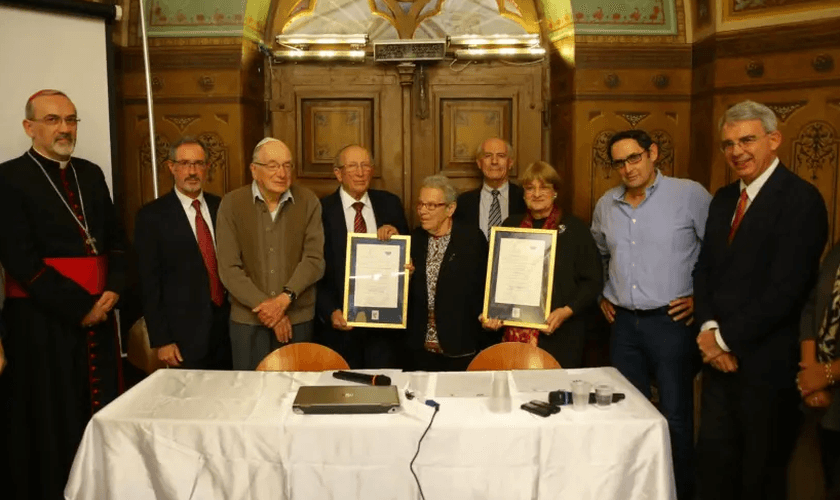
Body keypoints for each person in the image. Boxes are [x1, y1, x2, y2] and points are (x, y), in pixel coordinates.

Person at [694, 100, 828, 500]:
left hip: (768, 368)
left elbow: (787, 290)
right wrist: (707, 331)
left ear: (774, 140)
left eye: (747, 140)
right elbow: (704, 271)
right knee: (715, 472)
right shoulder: (722, 199)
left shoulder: (801, 200)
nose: (737, 151)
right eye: (728, 143)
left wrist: (723, 339)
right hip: (718, 367)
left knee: (760, 478)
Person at [0, 89, 126, 498]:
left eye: (70, 120)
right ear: (29, 127)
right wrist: (79, 308)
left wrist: (112, 291)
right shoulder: (9, 178)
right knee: (51, 422)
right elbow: (20, 260)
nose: (64, 128)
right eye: (53, 120)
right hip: (42, 325)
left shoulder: (90, 174)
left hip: (101, 316)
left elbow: (115, 242)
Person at [589, 129, 711, 500]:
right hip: (623, 325)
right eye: (619, 162)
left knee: (674, 416)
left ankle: (678, 492)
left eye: (635, 158)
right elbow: (598, 255)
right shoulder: (606, 204)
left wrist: (700, 297)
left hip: (672, 323)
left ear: (653, 153)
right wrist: (601, 294)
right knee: (629, 415)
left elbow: (718, 253)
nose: (627, 168)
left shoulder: (688, 194)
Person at [216, 138, 325, 370]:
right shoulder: (231, 204)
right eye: (273, 165)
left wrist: (284, 300)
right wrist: (270, 309)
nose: (282, 173)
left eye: (287, 165)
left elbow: (314, 260)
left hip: (298, 320)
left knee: (296, 394)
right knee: (250, 396)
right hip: (248, 322)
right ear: (254, 170)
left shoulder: (309, 202)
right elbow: (229, 268)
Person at [481, 161, 601, 369]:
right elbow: (495, 275)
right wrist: (491, 311)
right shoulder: (510, 225)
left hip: (560, 334)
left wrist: (566, 311)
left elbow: (593, 281)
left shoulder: (574, 229)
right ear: (524, 193)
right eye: (530, 188)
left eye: (544, 187)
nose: (536, 194)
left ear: (555, 191)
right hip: (513, 331)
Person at [135, 137, 232, 369]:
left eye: (199, 164)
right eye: (185, 164)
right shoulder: (152, 217)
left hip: (227, 330)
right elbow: (148, 283)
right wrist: (162, 340)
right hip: (182, 336)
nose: (192, 171)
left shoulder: (223, 207)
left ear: (207, 168)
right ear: (172, 167)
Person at [317, 144, 409, 368]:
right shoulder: (320, 210)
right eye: (352, 166)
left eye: (365, 165)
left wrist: (398, 243)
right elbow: (314, 268)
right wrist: (330, 311)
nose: (360, 172)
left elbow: (407, 259)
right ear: (338, 173)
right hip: (341, 326)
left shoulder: (390, 204)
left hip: (385, 330)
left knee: (384, 392)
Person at [408, 175, 488, 371]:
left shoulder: (471, 239)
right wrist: (405, 279)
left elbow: (485, 287)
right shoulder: (415, 239)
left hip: (459, 348)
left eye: (431, 206)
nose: (423, 211)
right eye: (420, 204)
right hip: (419, 349)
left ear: (450, 209)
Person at [798, 243, 840, 500]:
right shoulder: (836, 253)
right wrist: (810, 373)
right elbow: (811, 307)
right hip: (825, 401)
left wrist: (826, 375)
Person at [454, 138, 527, 239]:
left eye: (501, 156)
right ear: (479, 163)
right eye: (488, 156)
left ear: (510, 163)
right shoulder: (463, 202)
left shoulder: (525, 198)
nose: (494, 161)